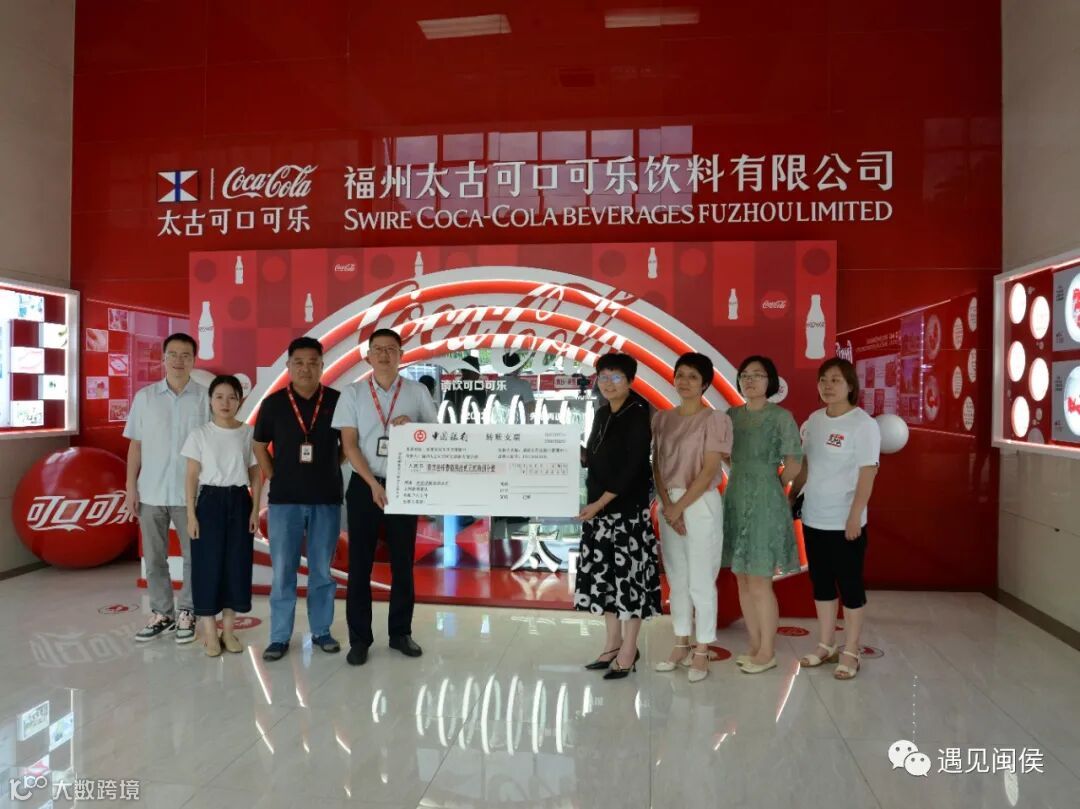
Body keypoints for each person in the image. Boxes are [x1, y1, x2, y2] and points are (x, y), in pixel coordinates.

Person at [333, 328, 437, 666]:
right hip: (365, 486)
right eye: (377, 349)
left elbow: (435, 434)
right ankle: (360, 639)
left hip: (405, 485)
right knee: (360, 565)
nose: (384, 355)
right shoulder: (353, 393)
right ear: (367, 356)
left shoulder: (417, 391)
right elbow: (349, 445)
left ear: (401, 355)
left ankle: (400, 633)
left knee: (403, 563)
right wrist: (374, 485)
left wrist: (415, 429)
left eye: (391, 349)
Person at [253, 337, 343, 661]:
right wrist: (274, 474)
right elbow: (259, 444)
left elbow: (348, 444)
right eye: (299, 363)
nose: (306, 368)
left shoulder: (337, 400)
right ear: (289, 366)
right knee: (283, 572)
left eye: (313, 362)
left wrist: (331, 467)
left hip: (326, 499)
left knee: (321, 571)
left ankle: (321, 631)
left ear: (322, 365)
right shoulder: (274, 403)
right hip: (284, 502)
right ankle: (279, 637)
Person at [790, 358, 881, 680]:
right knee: (822, 584)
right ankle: (826, 644)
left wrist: (855, 516)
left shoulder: (863, 425)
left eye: (836, 380)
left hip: (845, 522)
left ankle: (851, 650)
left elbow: (868, 474)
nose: (828, 386)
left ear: (850, 386)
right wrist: (792, 496)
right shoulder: (814, 421)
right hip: (814, 517)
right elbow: (806, 466)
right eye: (823, 380)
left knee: (850, 586)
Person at [575, 352, 660, 680]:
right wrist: (571, 450)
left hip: (626, 515)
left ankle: (629, 649)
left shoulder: (638, 414)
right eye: (603, 377)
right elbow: (597, 460)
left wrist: (598, 505)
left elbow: (631, 470)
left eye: (616, 377)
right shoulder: (601, 413)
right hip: (599, 514)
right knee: (606, 581)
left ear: (631, 381)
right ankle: (612, 644)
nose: (608, 384)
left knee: (629, 583)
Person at [652, 353, 733, 683]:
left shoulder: (715, 420)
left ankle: (702, 648)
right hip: (668, 502)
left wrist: (679, 506)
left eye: (693, 377)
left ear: (705, 384)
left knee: (701, 578)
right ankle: (680, 642)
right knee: (678, 577)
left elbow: (711, 469)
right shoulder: (662, 419)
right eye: (680, 375)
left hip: (700, 503)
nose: (684, 381)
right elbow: (657, 464)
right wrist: (667, 505)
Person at [125, 333, 209, 644]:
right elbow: (136, 446)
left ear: (194, 360)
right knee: (154, 557)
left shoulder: (205, 398)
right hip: (151, 491)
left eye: (185, 355)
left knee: (193, 558)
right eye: (172, 354)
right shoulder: (145, 398)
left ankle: (188, 610)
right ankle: (162, 613)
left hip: (192, 495)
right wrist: (130, 487)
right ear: (163, 358)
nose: (178, 360)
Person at [722, 355, 803, 674]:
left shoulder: (781, 417)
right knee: (742, 578)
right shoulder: (731, 415)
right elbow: (727, 456)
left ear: (771, 381)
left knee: (759, 580)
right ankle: (754, 645)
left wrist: (772, 485)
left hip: (766, 500)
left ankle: (767, 651)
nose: (750, 380)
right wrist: (743, 474)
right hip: (736, 495)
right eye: (745, 375)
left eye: (757, 375)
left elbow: (794, 462)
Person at [182, 375, 261, 657]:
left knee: (236, 566)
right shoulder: (200, 434)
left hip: (239, 500)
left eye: (232, 397)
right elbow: (191, 477)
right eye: (219, 397)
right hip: (209, 502)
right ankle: (209, 632)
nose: (225, 403)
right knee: (207, 565)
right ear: (210, 400)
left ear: (240, 401)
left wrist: (255, 509)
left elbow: (256, 475)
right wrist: (191, 515)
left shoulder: (248, 433)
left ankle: (228, 631)